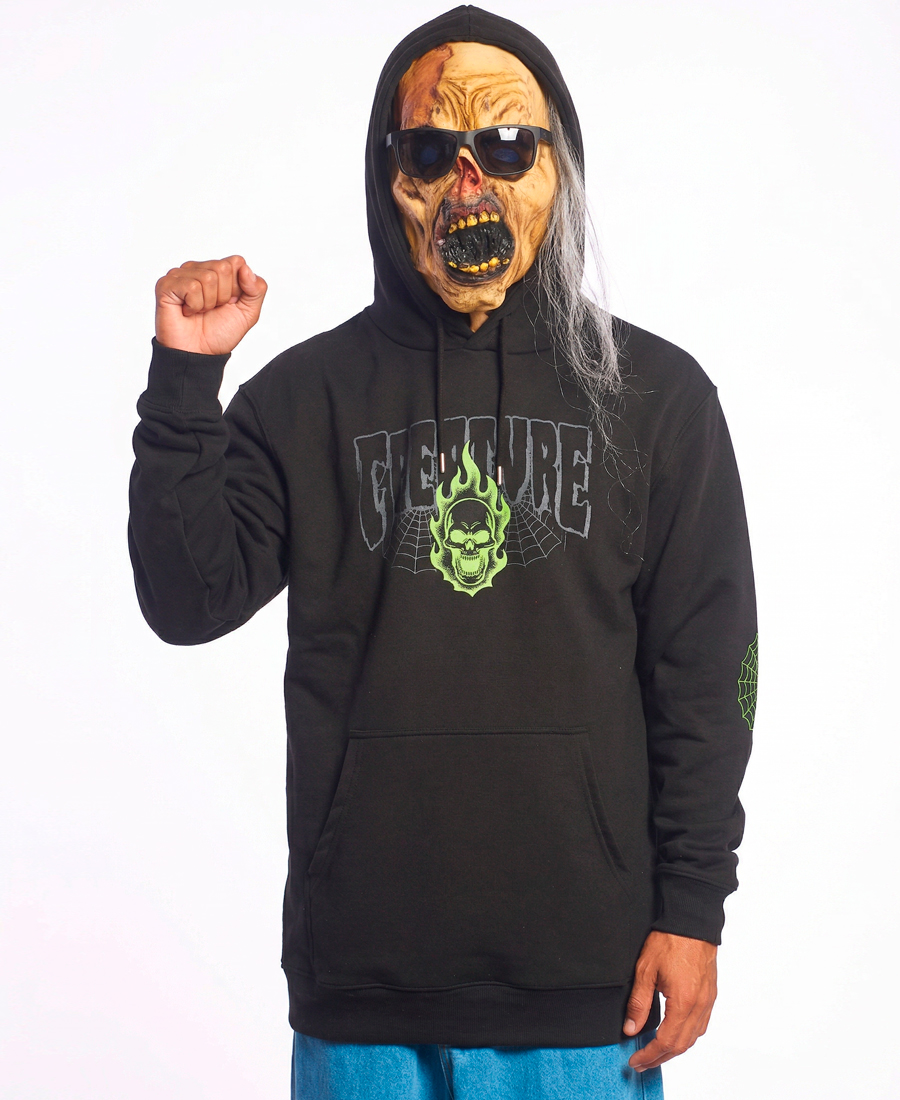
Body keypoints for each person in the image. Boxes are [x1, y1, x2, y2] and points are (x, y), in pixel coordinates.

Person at [128, 6, 757, 1098]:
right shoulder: (306, 400)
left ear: (557, 168)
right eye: (431, 150)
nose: (471, 182)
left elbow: (708, 671)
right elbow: (188, 598)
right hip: (363, 999)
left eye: (506, 146)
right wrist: (185, 381)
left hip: (587, 997)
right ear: (390, 176)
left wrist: (694, 908)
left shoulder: (656, 397)